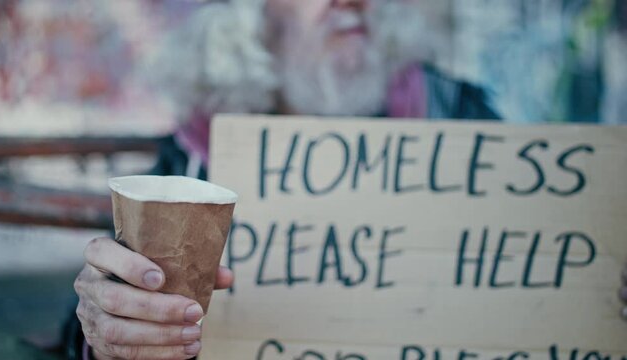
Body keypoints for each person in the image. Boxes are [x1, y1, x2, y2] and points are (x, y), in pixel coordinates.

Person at [68, 0, 627, 359]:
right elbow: (96, 330)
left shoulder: (460, 115)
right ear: (251, 13)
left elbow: (556, 279)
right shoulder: (189, 161)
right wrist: (112, 329)